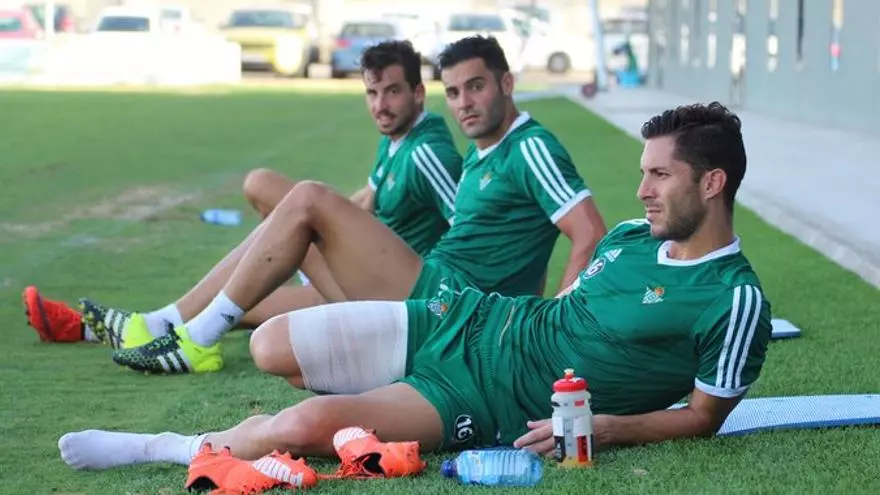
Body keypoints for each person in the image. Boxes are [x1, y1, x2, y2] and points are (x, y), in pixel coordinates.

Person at [58, 101, 772, 472]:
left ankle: (159, 446)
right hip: (466, 317)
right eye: (644, 172)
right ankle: (354, 383)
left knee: (302, 427)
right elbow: (568, 309)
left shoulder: (734, 298)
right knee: (272, 345)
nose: (642, 189)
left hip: (491, 396)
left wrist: (606, 427)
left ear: (712, 183)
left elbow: (703, 417)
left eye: (660, 175)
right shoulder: (629, 236)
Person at [102, 35, 606, 374]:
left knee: (302, 199)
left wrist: (550, 329)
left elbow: (589, 233)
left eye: (475, 87)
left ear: (506, 84)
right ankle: (172, 326)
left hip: (443, 297)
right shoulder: (479, 152)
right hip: (429, 292)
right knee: (267, 338)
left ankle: (192, 341)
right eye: (454, 92)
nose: (464, 103)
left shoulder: (527, 146)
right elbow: (502, 242)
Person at [22, 39, 463, 348]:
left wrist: (446, 316)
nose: (380, 105)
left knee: (266, 186)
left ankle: (158, 324)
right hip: (358, 280)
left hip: (395, 301)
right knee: (239, 302)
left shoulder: (428, 151)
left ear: (418, 92)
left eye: (392, 92)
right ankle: (94, 329)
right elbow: (367, 199)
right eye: (372, 93)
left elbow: (466, 229)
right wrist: (314, 244)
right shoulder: (399, 139)